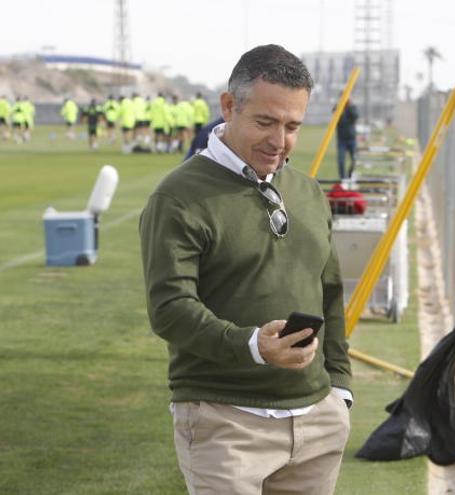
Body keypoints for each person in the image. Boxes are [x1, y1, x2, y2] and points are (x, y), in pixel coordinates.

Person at [139, 44, 352, 495]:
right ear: (229, 106)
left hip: (316, 420)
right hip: (224, 423)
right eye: (265, 122)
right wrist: (253, 345)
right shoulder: (177, 198)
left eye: (293, 126)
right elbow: (170, 309)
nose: (280, 141)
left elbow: (329, 293)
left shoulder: (308, 192)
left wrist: (340, 387)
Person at [335, 100, 359, 179]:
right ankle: (343, 179)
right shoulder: (338, 107)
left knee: (355, 160)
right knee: (341, 161)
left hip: (352, 139)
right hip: (342, 140)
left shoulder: (352, 107)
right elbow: (335, 115)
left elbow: (356, 116)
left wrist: (349, 106)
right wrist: (339, 107)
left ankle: (350, 174)